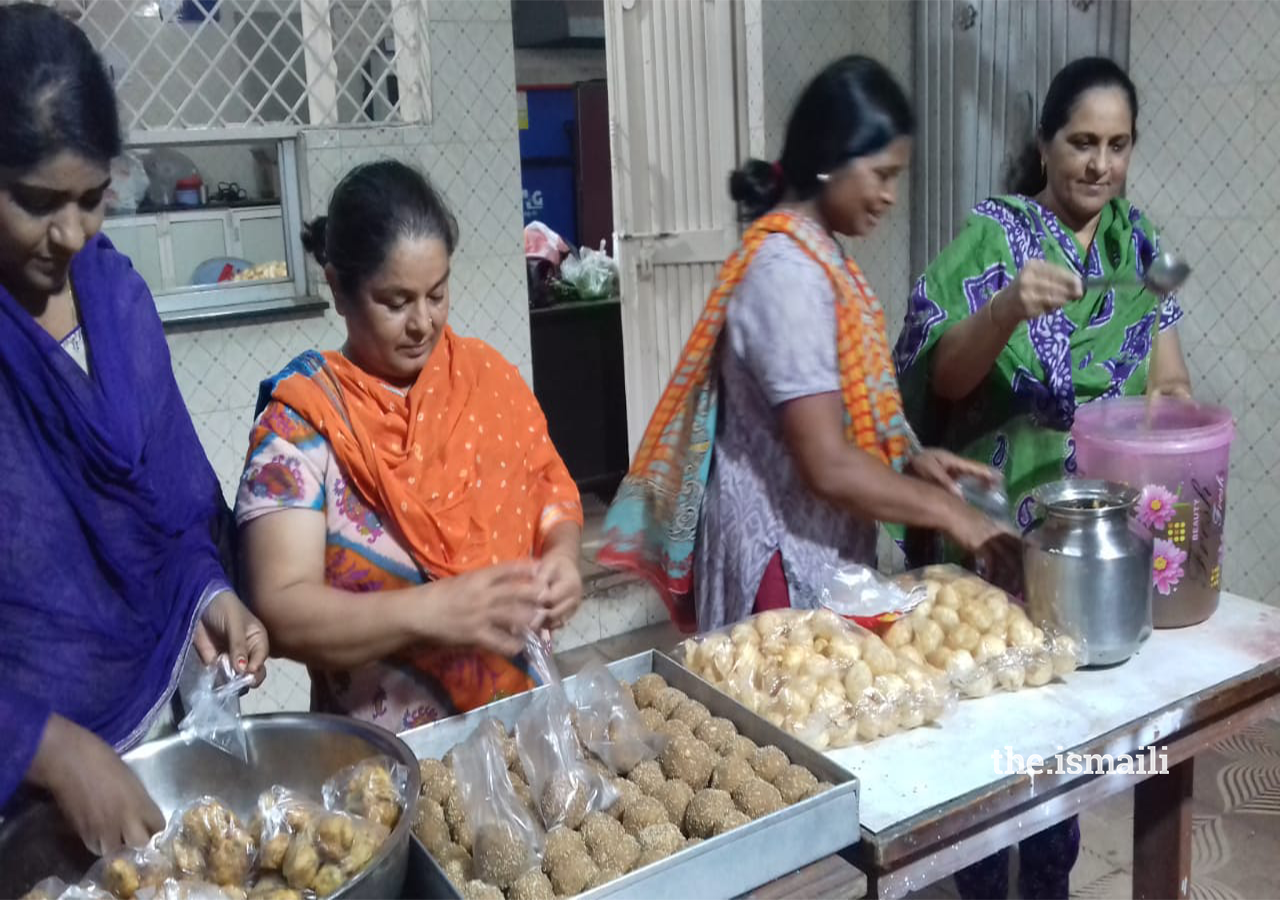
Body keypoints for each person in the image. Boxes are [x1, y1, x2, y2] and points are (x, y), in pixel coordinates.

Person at [893, 57, 1191, 900]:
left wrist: (1168, 420)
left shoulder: (1141, 248)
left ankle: (1052, 873)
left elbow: (1168, 380)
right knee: (993, 725)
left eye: (1118, 144)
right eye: (1082, 142)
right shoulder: (998, 236)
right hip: (995, 529)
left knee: (1068, 727)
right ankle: (981, 876)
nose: (1099, 164)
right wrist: (1006, 308)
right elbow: (941, 378)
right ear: (1045, 144)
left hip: (1090, 532)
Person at [597, 55, 1013, 633]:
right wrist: (950, 514)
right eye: (882, 174)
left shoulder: (822, 258)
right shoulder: (785, 271)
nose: (890, 196)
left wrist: (909, 457)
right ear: (828, 160)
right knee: (785, 709)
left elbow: (842, 413)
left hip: (822, 543)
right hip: (779, 554)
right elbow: (826, 462)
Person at [0, 3, 268, 856]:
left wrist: (210, 593)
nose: (71, 235)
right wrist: (43, 745)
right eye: (36, 202)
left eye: (91, 199)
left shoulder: (118, 304)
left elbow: (170, 504)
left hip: (160, 712)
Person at [236, 160, 584, 731]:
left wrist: (562, 557)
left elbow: (549, 488)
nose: (423, 323)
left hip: (519, 727)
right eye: (395, 302)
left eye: (437, 294)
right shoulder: (302, 428)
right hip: (388, 755)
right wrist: (430, 612)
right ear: (339, 289)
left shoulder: (485, 380)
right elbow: (281, 607)